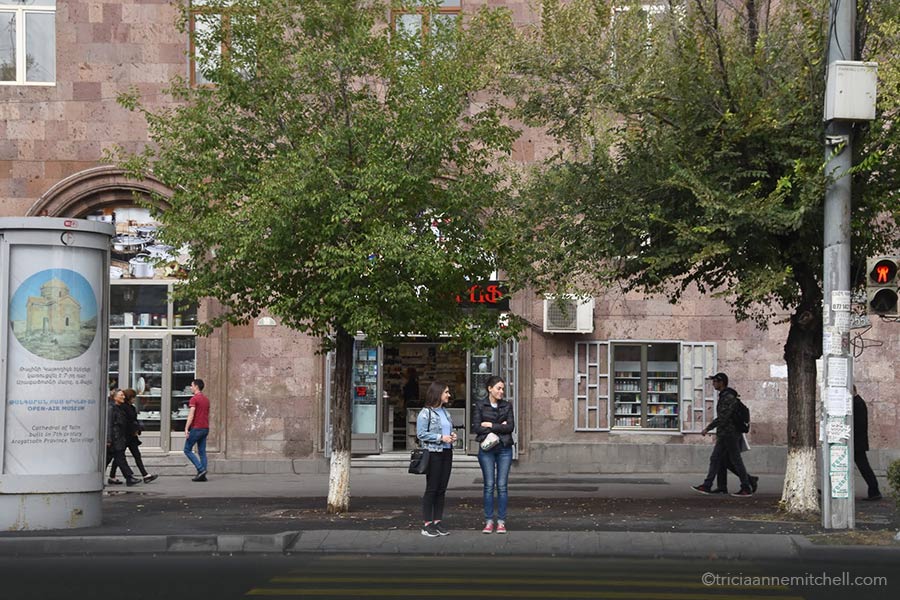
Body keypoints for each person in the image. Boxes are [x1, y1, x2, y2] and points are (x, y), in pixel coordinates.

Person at [692, 372, 753, 497]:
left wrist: (707, 428)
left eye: (715, 381)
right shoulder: (724, 396)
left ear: (721, 382)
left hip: (729, 434)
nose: (713, 384)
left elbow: (723, 417)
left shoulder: (728, 397)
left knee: (735, 461)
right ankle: (714, 486)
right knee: (717, 459)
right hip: (725, 433)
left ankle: (746, 487)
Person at [474, 375, 515, 534]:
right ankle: (489, 521)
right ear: (489, 389)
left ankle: (502, 522)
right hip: (487, 450)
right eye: (498, 388)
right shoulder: (480, 405)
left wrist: (490, 424)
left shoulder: (507, 406)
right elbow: (477, 428)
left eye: (503, 388)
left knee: (502, 486)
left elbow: (510, 427)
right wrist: (500, 425)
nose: (501, 391)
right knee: (489, 485)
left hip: (504, 448)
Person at [417, 382, 456, 537]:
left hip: (447, 453)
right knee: (432, 488)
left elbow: (448, 430)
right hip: (433, 454)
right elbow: (421, 434)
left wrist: (452, 436)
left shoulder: (446, 413)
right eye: (446, 392)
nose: (449, 395)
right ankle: (427, 524)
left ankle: (437, 521)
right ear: (438, 393)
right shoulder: (425, 413)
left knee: (442, 489)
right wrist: (440, 438)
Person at [109, 389, 158, 484]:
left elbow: (131, 421)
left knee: (124, 456)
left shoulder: (128, 407)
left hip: (128, 436)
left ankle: (142, 475)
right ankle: (122, 476)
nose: (134, 399)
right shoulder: (118, 408)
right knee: (119, 457)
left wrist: (137, 429)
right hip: (123, 436)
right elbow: (119, 423)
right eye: (132, 397)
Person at [108, 389, 142, 486]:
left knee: (114, 458)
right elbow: (109, 424)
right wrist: (108, 439)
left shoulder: (119, 408)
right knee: (120, 458)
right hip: (115, 438)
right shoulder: (111, 409)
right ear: (115, 397)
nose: (123, 397)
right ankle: (129, 477)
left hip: (119, 437)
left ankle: (125, 478)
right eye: (121, 395)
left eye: (123, 395)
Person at [853, 386, 882, 501]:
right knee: (863, 467)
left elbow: (859, 424)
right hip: (857, 442)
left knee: (864, 467)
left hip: (857, 443)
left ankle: (874, 491)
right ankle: (874, 491)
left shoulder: (857, 403)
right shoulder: (858, 402)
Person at [184, 378, 210, 482]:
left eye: (192, 385)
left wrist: (186, 428)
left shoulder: (194, 399)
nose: (191, 387)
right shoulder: (206, 400)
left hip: (197, 428)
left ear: (196, 387)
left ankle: (201, 469)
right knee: (202, 452)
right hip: (205, 427)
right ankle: (202, 475)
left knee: (187, 449)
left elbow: (191, 415)